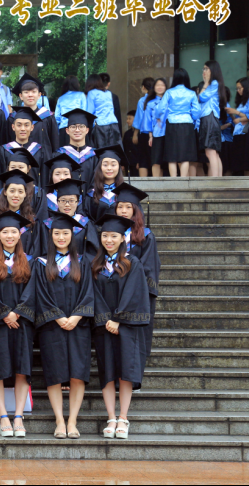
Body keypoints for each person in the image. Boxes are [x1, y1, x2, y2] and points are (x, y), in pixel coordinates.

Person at [32, 212, 94, 439]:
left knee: (78, 374)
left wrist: (76, 316)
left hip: (79, 326)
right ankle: (59, 420)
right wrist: (57, 316)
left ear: (72, 235)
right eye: (56, 233)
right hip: (51, 326)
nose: (61, 237)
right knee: (55, 374)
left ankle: (72, 421)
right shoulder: (41, 263)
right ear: (51, 235)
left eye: (65, 233)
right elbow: (40, 294)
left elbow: (88, 292)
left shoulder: (83, 262)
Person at [91, 214, 150, 440]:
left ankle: (123, 418)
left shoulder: (132, 263)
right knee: (107, 371)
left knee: (126, 371)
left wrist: (118, 319)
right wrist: (106, 319)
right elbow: (92, 294)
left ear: (122, 238)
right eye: (105, 235)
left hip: (126, 325)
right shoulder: (95, 265)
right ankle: (111, 417)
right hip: (103, 325)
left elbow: (134, 292)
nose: (109, 240)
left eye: (113, 236)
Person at [0, 211, 36, 438]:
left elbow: (33, 291)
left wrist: (17, 313)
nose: (10, 235)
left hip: (22, 323)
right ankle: (3, 415)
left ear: (20, 234)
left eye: (14, 231)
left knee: (22, 369)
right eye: (5, 232)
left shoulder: (30, 261)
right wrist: (4, 314)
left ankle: (19, 416)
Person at [113, 184, 160, 365]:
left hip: (137, 293)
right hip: (113, 290)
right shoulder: (109, 235)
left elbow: (149, 267)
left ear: (136, 210)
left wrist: (134, 287)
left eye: (128, 207)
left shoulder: (146, 236)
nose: (123, 211)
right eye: (120, 206)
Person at [155, 69, 199, 178]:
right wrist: (192, 118)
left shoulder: (169, 92)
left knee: (172, 155)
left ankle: (173, 180)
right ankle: (183, 179)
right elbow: (197, 111)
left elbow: (160, 108)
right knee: (185, 155)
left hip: (172, 124)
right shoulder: (191, 93)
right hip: (187, 124)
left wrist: (158, 117)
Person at [42, 178, 100, 257]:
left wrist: (81, 263)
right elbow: (43, 250)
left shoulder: (86, 224)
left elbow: (92, 252)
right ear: (57, 202)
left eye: (71, 201)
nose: (67, 204)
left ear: (78, 202)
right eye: (63, 200)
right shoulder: (47, 225)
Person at [0, 107, 51, 188]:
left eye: (26, 125)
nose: (23, 129)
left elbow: (44, 178)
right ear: (13, 127)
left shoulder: (40, 151)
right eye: (19, 125)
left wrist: (41, 195)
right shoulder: (3, 151)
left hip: (34, 194)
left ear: (32, 127)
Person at [0, 169, 41, 256]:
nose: (16, 195)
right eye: (12, 191)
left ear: (25, 194)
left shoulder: (32, 222)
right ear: (5, 192)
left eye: (20, 191)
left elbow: (35, 249)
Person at [8, 74, 57, 150]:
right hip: (19, 157)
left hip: (43, 157)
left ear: (39, 95)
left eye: (34, 92)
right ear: (21, 96)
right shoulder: (13, 118)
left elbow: (55, 143)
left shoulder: (48, 117)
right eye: (26, 92)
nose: (30, 95)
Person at [56, 109, 99, 187]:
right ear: (67, 130)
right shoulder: (59, 155)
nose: (77, 130)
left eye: (81, 126)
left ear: (87, 130)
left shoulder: (95, 155)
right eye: (73, 127)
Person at [199, 61, 226, 177]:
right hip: (211, 118)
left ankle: (215, 179)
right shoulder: (216, 83)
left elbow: (201, 97)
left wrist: (205, 84)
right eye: (203, 69)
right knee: (213, 152)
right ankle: (218, 178)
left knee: (210, 152)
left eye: (206, 69)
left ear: (213, 70)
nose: (204, 71)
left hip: (209, 117)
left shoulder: (213, 83)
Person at [87, 145, 128, 223]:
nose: (109, 168)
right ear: (100, 167)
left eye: (113, 165)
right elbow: (88, 220)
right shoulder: (92, 194)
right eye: (105, 165)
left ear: (119, 167)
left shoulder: (126, 193)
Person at [85, 74, 121, 149]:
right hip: (113, 124)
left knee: (101, 150)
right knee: (114, 150)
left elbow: (89, 113)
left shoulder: (91, 93)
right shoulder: (108, 93)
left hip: (100, 125)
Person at [143, 77, 168, 177]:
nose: (160, 87)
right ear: (154, 87)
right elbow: (147, 120)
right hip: (157, 133)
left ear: (166, 87)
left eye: (162, 85)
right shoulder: (150, 103)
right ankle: (156, 182)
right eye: (158, 85)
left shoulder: (170, 101)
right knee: (156, 160)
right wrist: (150, 136)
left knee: (171, 160)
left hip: (170, 133)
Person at [54, 76, 88, 148]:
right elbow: (84, 112)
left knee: (65, 152)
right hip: (78, 128)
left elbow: (57, 117)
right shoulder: (81, 95)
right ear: (76, 84)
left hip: (64, 129)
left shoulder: (61, 98)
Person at [133, 78, 155, 177]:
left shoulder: (142, 100)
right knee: (156, 160)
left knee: (143, 160)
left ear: (143, 87)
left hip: (144, 134)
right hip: (157, 134)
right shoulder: (158, 100)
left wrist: (135, 134)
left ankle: (143, 184)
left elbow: (139, 119)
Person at [227, 77, 249, 175]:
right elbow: (236, 120)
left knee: (245, 162)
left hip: (245, 133)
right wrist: (231, 114)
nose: (238, 91)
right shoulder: (241, 102)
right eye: (237, 89)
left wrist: (236, 113)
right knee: (238, 162)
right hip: (238, 133)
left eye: (240, 88)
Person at [123, 111, 139, 177]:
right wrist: (123, 163)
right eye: (127, 119)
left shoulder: (141, 133)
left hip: (136, 163)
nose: (127, 121)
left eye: (130, 118)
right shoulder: (127, 133)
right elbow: (124, 148)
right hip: (128, 163)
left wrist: (139, 162)